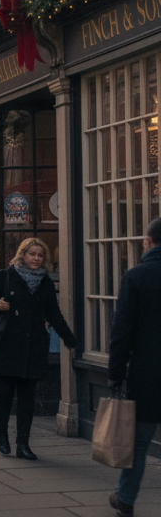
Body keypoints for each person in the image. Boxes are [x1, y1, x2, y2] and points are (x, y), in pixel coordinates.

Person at [0, 237, 77, 460]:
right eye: (32, 254)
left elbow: (53, 313)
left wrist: (69, 339)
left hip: (33, 346)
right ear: (22, 254)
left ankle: (23, 443)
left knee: (27, 398)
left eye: (40, 255)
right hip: (6, 345)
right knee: (4, 395)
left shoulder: (45, 283)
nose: (36, 258)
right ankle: (2, 436)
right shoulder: (5, 276)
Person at [107, 216, 161, 517]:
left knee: (138, 445)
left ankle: (126, 500)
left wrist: (115, 375)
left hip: (148, 374)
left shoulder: (137, 277)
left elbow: (121, 332)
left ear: (148, 241)